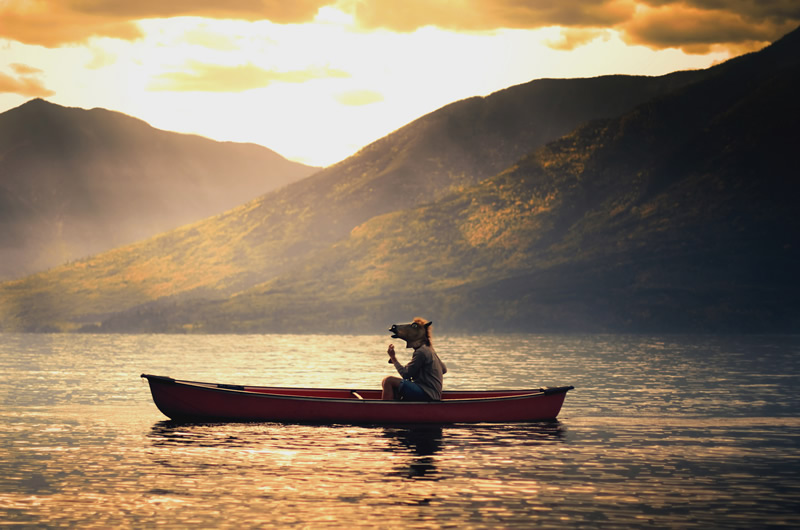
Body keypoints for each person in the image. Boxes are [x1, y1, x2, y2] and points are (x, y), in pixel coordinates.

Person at [381, 318, 447, 401]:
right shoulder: (429, 349)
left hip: (427, 394)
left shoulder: (421, 352)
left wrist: (393, 358)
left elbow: (406, 374)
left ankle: (386, 411)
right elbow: (444, 369)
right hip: (433, 394)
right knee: (395, 388)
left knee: (388, 381)